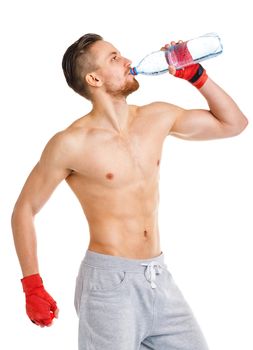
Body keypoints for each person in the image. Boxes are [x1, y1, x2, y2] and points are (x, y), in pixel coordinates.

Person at [11, 33, 248, 349]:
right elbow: (24, 210)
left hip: (158, 278)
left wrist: (196, 76)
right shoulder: (70, 143)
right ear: (94, 78)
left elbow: (234, 124)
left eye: (120, 54)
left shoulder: (157, 116)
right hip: (109, 286)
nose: (126, 61)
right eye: (113, 58)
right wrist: (32, 286)